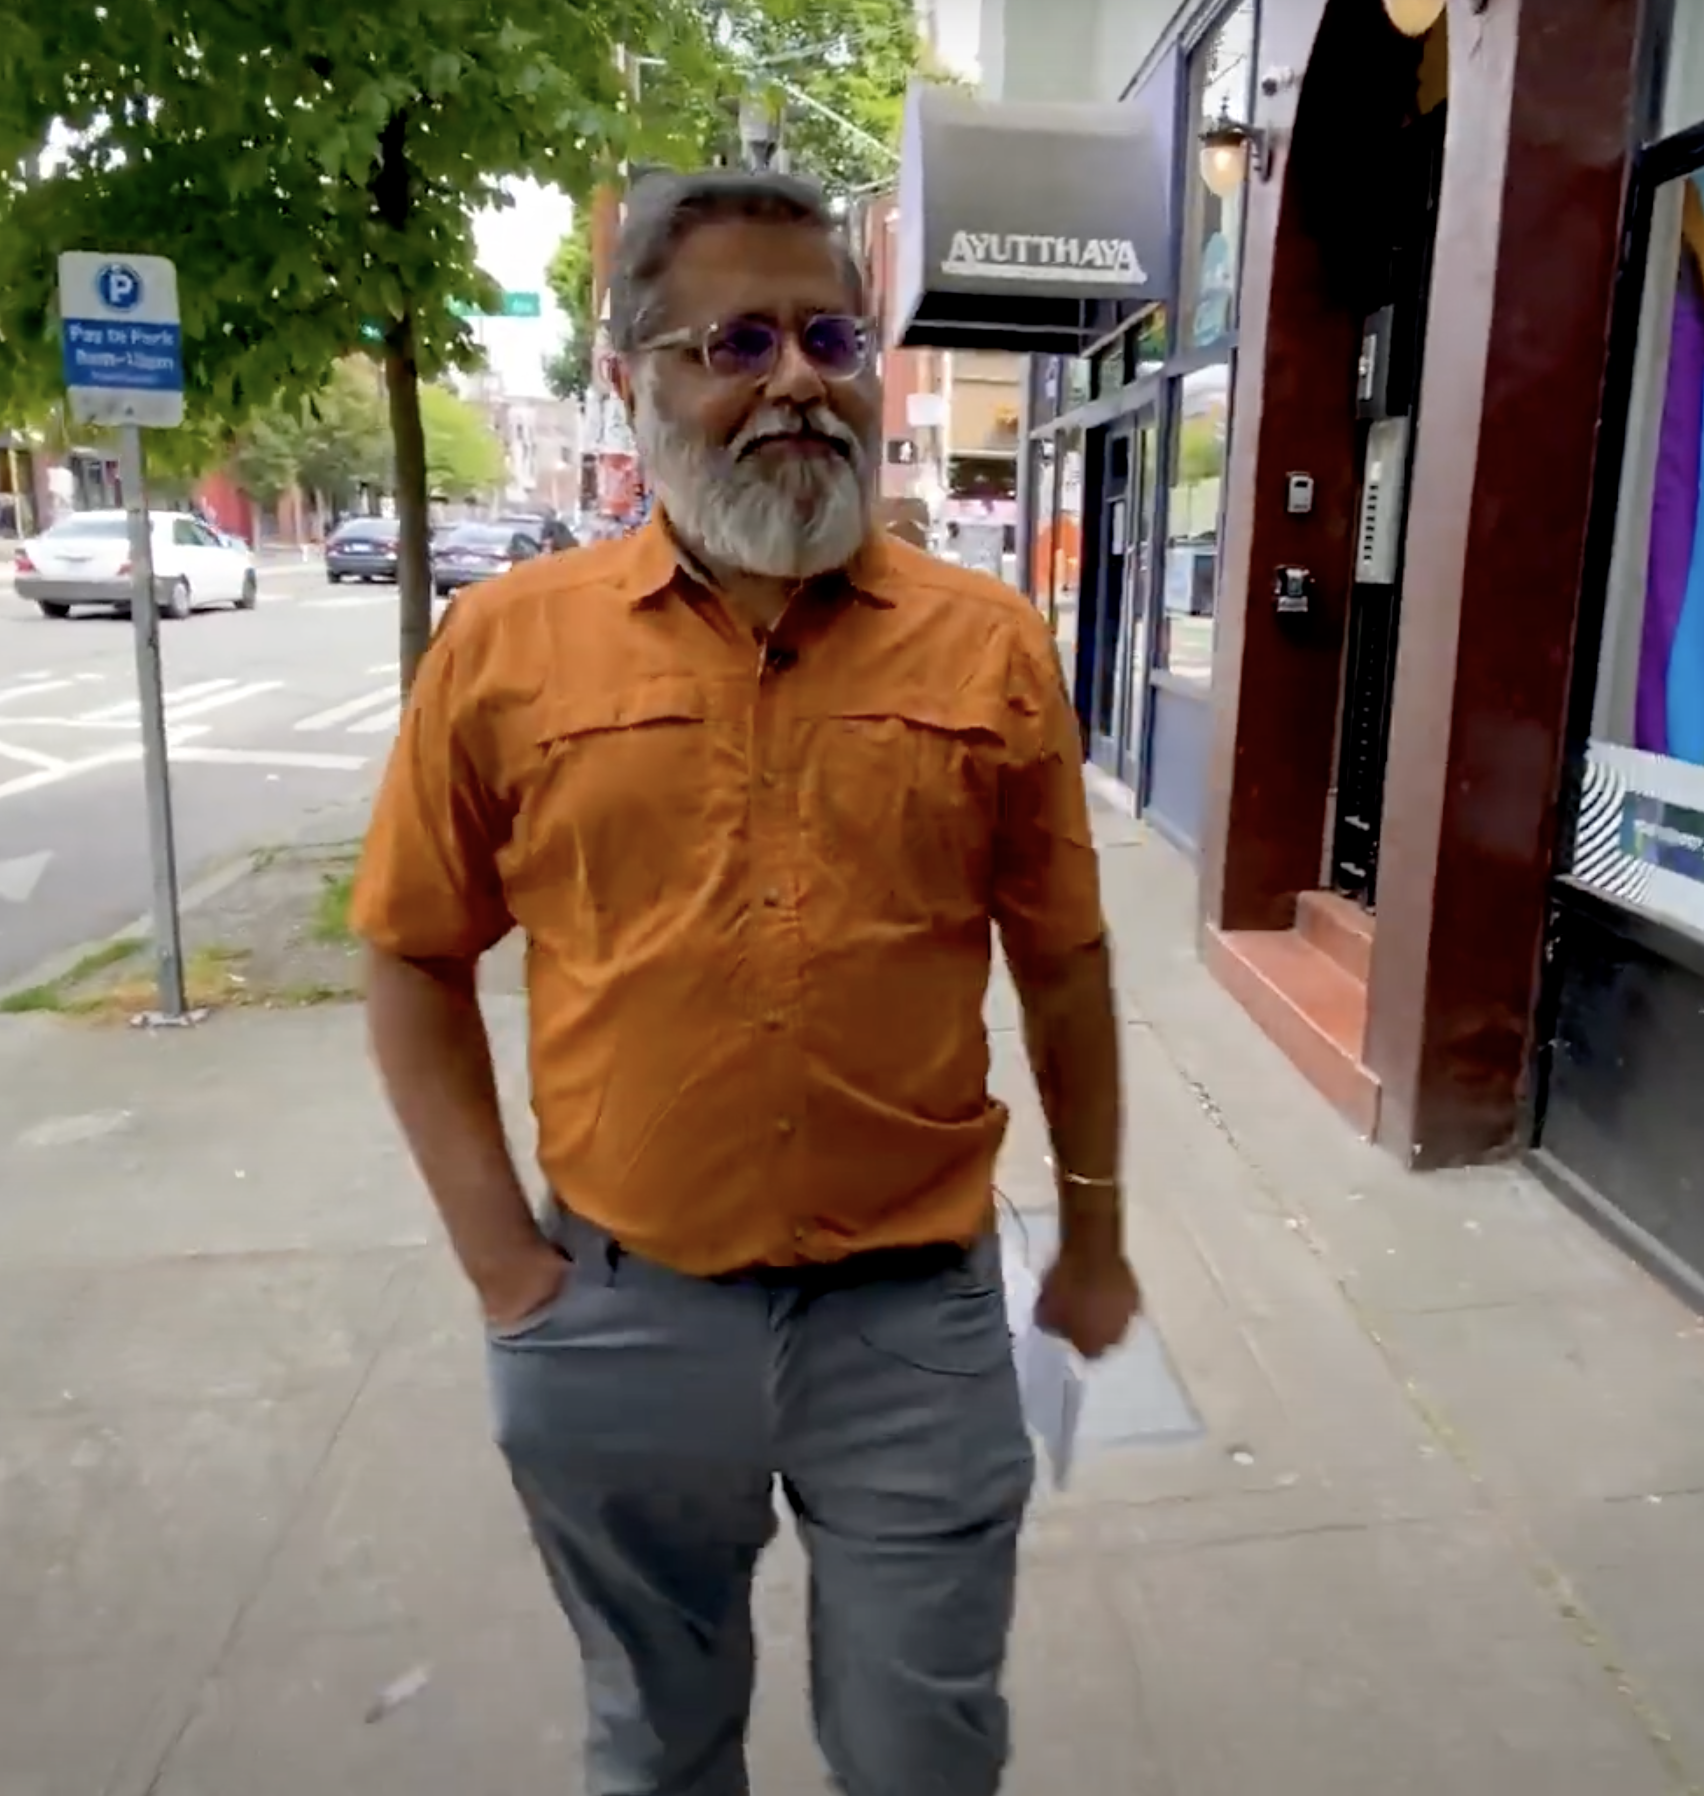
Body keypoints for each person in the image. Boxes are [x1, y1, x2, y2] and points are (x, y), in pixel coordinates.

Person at [353, 167, 1138, 1796]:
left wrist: (1094, 1235)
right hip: (620, 1318)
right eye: (739, 342)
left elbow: (1061, 962)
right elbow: (412, 951)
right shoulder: (502, 648)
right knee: (658, 1740)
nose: (798, 380)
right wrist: (504, 1267)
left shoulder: (987, 645)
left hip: (912, 1325)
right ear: (630, 378)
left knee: (924, 1751)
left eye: (833, 339)